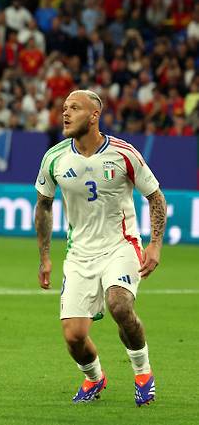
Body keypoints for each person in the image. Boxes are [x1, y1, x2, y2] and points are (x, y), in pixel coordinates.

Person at [34, 90, 166, 406]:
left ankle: (143, 373)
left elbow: (156, 197)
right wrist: (45, 258)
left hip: (121, 246)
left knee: (119, 305)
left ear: (94, 115)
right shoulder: (54, 157)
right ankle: (95, 378)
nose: (65, 113)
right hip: (79, 254)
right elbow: (44, 205)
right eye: (64, 108)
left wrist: (155, 245)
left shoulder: (124, 153)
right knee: (74, 337)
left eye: (75, 108)